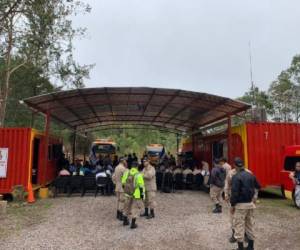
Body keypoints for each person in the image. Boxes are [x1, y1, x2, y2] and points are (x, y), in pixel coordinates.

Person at [224, 159, 258, 243]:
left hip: (242, 199)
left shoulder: (249, 172)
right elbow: (227, 184)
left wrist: (255, 197)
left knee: (245, 219)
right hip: (235, 198)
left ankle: (245, 235)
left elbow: (254, 186)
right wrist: (226, 194)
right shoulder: (231, 173)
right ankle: (234, 234)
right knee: (234, 218)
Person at [122, 161, 145, 229]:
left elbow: (123, 182)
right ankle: (133, 224)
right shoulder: (138, 174)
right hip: (136, 194)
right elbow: (141, 186)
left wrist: (126, 190)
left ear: (131, 166)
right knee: (135, 208)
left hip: (128, 193)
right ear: (137, 167)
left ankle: (125, 221)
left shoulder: (126, 173)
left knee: (127, 206)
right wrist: (142, 196)